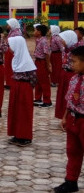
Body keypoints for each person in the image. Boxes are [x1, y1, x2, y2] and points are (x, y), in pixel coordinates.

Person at [53, 46, 84, 193]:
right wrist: (65, 117)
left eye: (75, 61)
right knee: (72, 152)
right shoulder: (74, 78)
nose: (71, 65)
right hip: (73, 118)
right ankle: (71, 181)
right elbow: (69, 100)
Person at [7, 36, 37, 147]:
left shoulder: (27, 61)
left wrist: (27, 88)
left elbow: (34, 79)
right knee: (15, 111)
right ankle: (17, 134)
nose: (10, 47)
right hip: (16, 87)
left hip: (24, 89)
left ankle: (25, 136)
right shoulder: (16, 58)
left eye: (11, 45)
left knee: (24, 112)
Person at [56, 31, 79, 119]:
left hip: (71, 75)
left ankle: (69, 117)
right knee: (62, 95)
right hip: (64, 73)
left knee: (70, 96)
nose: (61, 41)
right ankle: (62, 116)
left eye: (63, 39)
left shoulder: (76, 52)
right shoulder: (65, 49)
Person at [33, 24, 52, 107]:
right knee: (38, 80)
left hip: (42, 62)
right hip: (38, 61)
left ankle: (47, 101)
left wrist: (48, 65)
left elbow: (46, 53)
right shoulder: (39, 40)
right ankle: (38, 98)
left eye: (36, 30)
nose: (34, 32)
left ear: (40, 32)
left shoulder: (43, 41)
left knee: (44, 81)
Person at [5, 18, 22, 88]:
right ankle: (9, 82)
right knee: (8, 66)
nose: (7, 26)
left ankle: (11, 83)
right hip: (9, 50)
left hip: (13, 51)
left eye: (8, 24)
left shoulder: (16, 33)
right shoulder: (12, 31)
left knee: (11, 66)